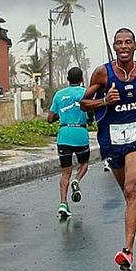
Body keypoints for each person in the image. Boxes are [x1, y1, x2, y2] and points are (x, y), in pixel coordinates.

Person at [81, 28, 136, 271]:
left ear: (135, 45)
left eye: (128, 42)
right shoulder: (102, 73)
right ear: (114, 47)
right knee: (127, 192)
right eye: (119, 43)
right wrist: (104, 101)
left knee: (129, 188)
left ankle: (127, 251)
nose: (124, 46)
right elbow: (84, 103)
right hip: (111, 140)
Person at [47, 67, 90, 217]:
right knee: (84, 164)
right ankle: (77, 180)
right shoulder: (86, 92)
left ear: (67, 79)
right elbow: (90, 114)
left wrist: (62, 115)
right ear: (82, 79)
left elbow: (50, 118)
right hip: (80, 133)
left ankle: (63, 203)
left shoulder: (59, 95)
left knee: (65, 172)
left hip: (64, 134)